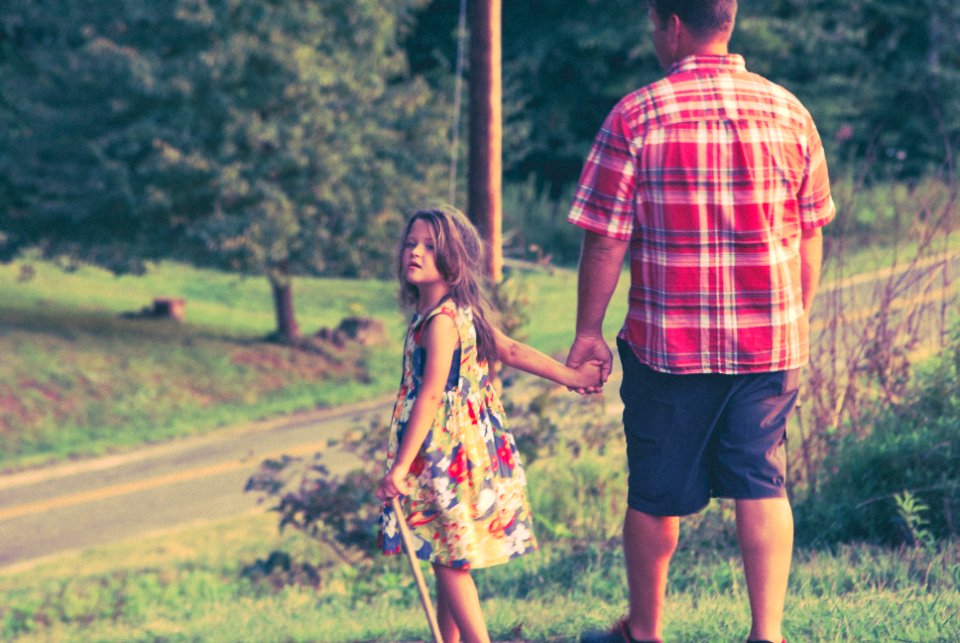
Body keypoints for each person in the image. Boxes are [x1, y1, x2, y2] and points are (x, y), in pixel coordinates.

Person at [566, 2, 835, 642]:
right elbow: (810, 230)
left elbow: (605, 241)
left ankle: (645, 632)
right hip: (770, 345)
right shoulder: (790, 111)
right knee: (761, 482)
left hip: (669, 351)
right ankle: (766, 634)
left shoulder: (636, 115)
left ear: (672, 25)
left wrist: (587, 332)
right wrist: (792, 313)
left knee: (656, 493)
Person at [376, 206, 601, 643]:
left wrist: (399, 469)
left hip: (445, 454)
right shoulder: (458, 312)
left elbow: (430, 396)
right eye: (410, 244)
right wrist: (572, 377)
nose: (415, 253)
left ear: (454, 258)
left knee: (448, 558)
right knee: (448, 550)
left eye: (429, 246)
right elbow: (512, 350)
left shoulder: (442, 323)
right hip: (464, 448)